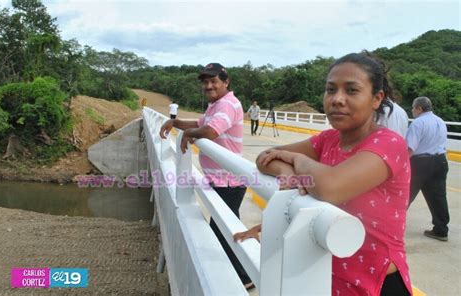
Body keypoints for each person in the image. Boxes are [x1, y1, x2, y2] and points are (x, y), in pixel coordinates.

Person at [234, 52, 412, 295]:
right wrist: (288, 173)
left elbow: (331, 188)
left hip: (376, 283)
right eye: (330, 90)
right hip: (325, 275)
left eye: (351, 90)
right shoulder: (328, 140)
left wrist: (298, 160)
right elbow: (265, 157)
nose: (337, 99)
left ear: (376, 99)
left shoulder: (388, 143)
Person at [159, 63, 254, 290]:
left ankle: (243, 277)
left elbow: (210, 132)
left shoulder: (228, 105)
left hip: (229, 181)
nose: (209, 86)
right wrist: (176, 123)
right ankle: (240, 275)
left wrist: (188, 134)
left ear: (225, 82)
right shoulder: (216, 105)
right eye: (205, 82)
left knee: (222, 231)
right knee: (223, 228)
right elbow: (200, 124)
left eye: (214, 81)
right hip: (222, 179)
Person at [406, 96, 449, 242]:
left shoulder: (418, 123)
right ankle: (441, 230)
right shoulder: (440, 121)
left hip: (420, 163)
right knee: (438, 197)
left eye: (413, 108)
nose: (412, 111)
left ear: (419, 108)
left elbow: (409, 149)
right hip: (440, 161)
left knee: (405, 195)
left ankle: (391, 226)